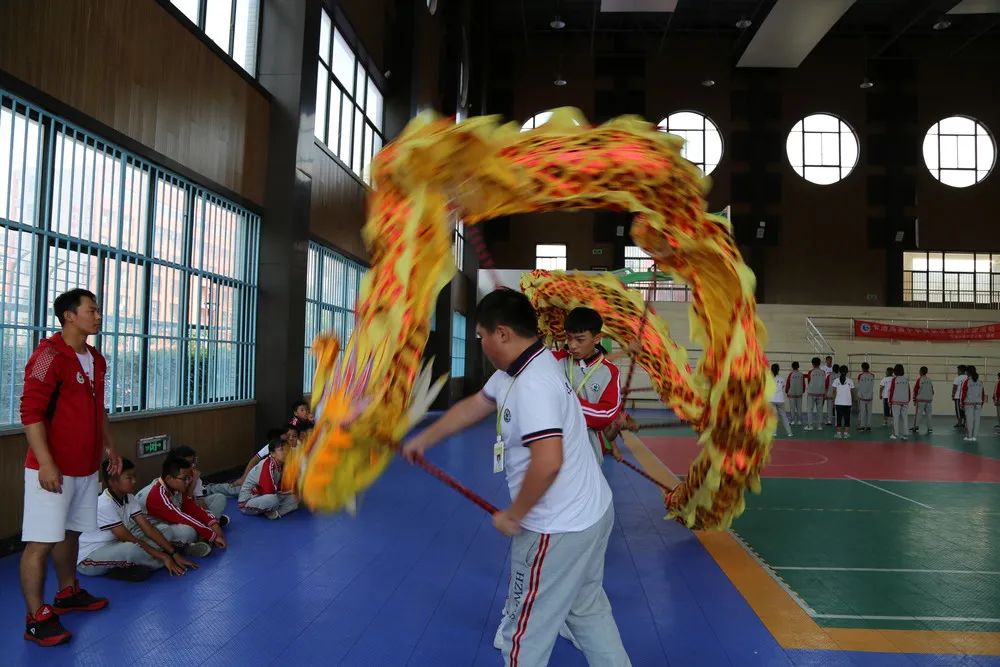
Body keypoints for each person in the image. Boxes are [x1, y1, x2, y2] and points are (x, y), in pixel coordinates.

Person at [402, 289, 630, 666]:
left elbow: (548, 461)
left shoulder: (534, 384)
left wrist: (515, 514)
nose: (480, 343)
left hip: (557, 528)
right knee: (587, 611)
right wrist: (426, 438)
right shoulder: (523, 368)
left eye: (481, 336)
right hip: (591, 512)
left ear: (503, 333)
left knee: (524, 635)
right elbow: (478, 403)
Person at [19, 288, 123, 647]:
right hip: (52, 471)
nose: (98, 316)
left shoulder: (95, 358)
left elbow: (98, 409)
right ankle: (35, 617)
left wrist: (110, 447)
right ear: (69, 316)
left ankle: (67, 592)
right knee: (40, 542)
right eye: (91, 310)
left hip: (85, 467)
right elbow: (30, 413)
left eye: (98, 310)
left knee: (72, 533)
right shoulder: (48, 356)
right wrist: (47, 464)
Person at [77, 458, 202, 581]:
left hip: (118, 544)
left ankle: (135, 565)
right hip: (91, 557)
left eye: (134, 477)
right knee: (131, 550)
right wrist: (165, 557)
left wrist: (173, 552)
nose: (134, 481)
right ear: (113, 482)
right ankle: (159, 563)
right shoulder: (104, 505)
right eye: (129, 478)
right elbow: (130, 539)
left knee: (164, 530)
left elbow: (149, 529)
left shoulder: (129, 498)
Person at [551, 307, 624, 463]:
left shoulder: (609, 372)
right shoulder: (555, 359)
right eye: (569, 338)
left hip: (587, 454)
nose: (572, 345)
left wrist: (565, 403)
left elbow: (606, 414)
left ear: (596, 338)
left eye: (580, 339)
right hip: (553, 448)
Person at [137, 456, 226, 551]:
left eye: (189, 478)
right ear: (169, 478)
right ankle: (180, 548)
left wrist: (212, 523)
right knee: (188, 532)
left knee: (197, 522)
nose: (187, 482)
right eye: (184, 479)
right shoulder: (156, 494)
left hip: (164, 523)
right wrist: (212, 535)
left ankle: (195, 541)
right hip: (144, 532)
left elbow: (191, 507)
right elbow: (180, 516)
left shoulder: (176, 487)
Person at [238, 439, 299, 519]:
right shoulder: (268, 464)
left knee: (294, 498)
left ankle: (275, 514)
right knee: (273, 500)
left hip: (262, 497)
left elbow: (279, 488)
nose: (285, 452)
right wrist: (287, 492)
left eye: (287, 450)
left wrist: (291, 491)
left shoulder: (279, 466)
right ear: (272, 453)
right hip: (247, 502)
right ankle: (270, 508)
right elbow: (269, 490)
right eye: (281, 449)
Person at [962, 366, 986, 443]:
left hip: (969, 403)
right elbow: (982, 393)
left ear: (968, 372)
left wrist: (962, 403)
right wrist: (981, 403)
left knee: (969, 420)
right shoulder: (980, 382)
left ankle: (969, 436)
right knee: (977, 420)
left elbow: (963, 393)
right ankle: (974, 436)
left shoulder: (966, 381)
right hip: (978, 403)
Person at [831, 366, 855, 439]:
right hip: (848, 403)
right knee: (847, 418)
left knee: (838, 418)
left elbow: (834, 392)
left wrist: (833, 401)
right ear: (847, 372)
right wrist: (852, 400)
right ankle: (846, 434)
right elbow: (852, 392)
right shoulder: (850, 381)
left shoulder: (836, 380)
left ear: (839, 372)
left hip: (838, 402)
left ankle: (838, 433)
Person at [805, 357, 828, 431]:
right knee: (820, 410)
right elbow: (824, 382)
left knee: (810, 410)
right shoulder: (823, 372)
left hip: (811, 393)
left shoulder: (810, 372)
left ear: (812, 364)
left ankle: (810, 426)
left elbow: (809, 381)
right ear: (819, 363)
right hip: (821, 393)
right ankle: (819, 426)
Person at [888, 364, 911, 440]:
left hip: (895, 401)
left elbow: (891, 391)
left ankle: (895, 434)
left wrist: (889, 401)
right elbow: (909, 390)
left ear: (895, 371)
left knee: (895, 417)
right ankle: (905, 434)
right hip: (905, 401)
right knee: (905, 417)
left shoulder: (894, 380)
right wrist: (908, 400)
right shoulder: (906, 380)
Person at [770, 364, 793, 437]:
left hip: (771, 399)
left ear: (771, 369)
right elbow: (782, 387)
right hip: (780, 400)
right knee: (784, 417)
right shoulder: (782, 379)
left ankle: (774, 432)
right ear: (778, 370)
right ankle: (789, 432)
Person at [912, 367, 934, 435]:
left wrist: (914, 399)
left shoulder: (919, 379)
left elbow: (915, 390)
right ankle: (930, 428)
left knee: (918, 414)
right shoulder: (929, 380)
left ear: (921, 372)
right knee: (929, 414)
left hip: (921, 400)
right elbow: (932, 390)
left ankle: (916, 427)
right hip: (929, 400)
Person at [856, 362, 876, 432]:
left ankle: (862, 426)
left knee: (863, 412)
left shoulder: (860, 376)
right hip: (870, 396)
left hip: (862, 396)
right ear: (868, 367)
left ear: (862, 368)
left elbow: (860, 386)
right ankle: (868, 427)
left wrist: (859, 395)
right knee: (869, 412)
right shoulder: (872, 375)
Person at [785, 361, 805, 426]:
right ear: (798, 366)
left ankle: (793, 421)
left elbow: (788, 384)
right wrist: (802, 391)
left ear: (792, 367)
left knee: (792, 408)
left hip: (791, 394)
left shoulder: (791, 374)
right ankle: (799, 421)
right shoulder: (801, 374)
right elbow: (803, 384)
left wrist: (786, 391)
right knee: (799, 408)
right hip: (799, 393)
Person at [952, 365, 968, 429]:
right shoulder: (967, 377)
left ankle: (959, 423)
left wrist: (953, 395)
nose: (957, 372)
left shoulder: (957, 378)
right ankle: (965, 423)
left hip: (958, 397)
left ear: (960, 371)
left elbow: (954, 387)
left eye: (958, 370)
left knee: (958, 410)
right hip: (966, 397)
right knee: (965, 410)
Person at [821, 356, 834, 425]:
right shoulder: (822, 368)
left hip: (831, 389)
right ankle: (820, 419)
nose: (830, 361)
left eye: (831, 360)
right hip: (823, 388)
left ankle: (829, 420)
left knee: (830, 405)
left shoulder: (833, 368)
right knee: (821, 404)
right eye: (828, 360)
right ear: (826, 361)